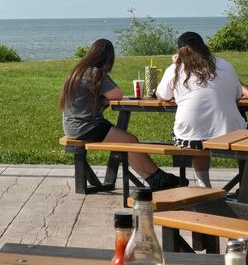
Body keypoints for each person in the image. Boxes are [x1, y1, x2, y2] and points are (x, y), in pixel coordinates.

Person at [61, 38, 185, 190]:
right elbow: (117, 94)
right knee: (130, 141)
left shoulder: (78, 70)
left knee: (128, 141)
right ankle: (158, 178)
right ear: (107, 59)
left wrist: (103, 99)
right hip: (86, 126)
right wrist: (105, 99)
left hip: (73, 125)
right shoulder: (94, 72)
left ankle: (156, 178)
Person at [156, 31, 248, 188]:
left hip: (190, 139)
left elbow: (161, 96)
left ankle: (204, 184)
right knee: (239, 126)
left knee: (197, 133)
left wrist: (174, 64)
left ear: (180, 52)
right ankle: (244, 186)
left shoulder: (175, 69)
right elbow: (237, 97)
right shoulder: (224, 64)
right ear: (204, 47)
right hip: (232, 134)